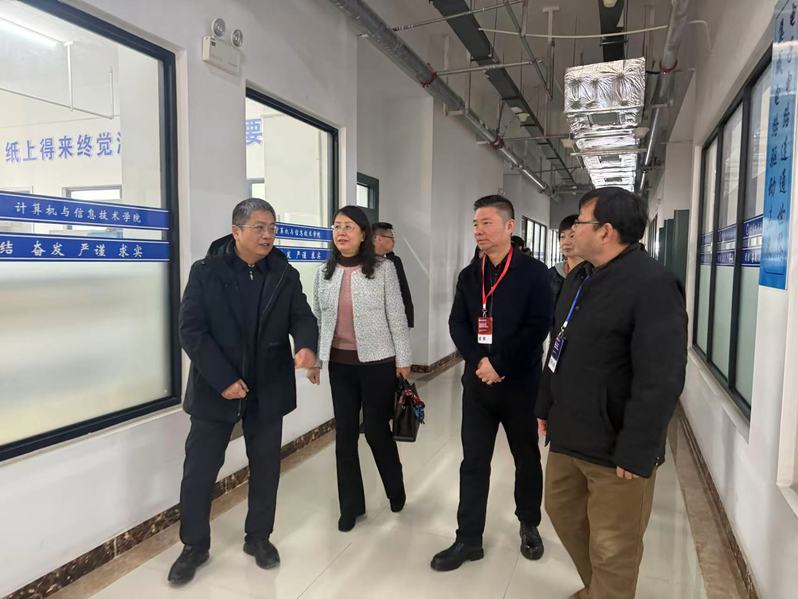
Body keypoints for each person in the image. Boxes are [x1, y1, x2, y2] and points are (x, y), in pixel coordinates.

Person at [536, 186, 688, 599]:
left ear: (606, 231)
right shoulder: (580, 277)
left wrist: (638, 448)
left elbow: (661, 376)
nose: (572, 231)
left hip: (617, 446)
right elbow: (559, 346)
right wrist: (545, 403)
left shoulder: (653, 285)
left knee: (613, 546)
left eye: (580, 222)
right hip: (569, 432)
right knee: (563, 513)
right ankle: (599, 590)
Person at [168, 198, 319, 585]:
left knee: (266, 467)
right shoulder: (206, 272)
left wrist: (306, 345)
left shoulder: (284, 273)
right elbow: (191, 330)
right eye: (259, 227)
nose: (268, 235)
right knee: (200, 472)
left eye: (272, 228)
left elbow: (302, 315)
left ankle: (259, 538)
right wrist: (223, 379)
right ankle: (194, 546)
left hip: (267, 387)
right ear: (236, 231)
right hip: (215, 389)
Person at [431, 195, 552, 572]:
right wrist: (479, 361)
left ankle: (529, 524)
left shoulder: (534, 274)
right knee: (473, 461)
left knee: (526, 457)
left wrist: (499, 363)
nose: (478, 231)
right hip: (479, 386)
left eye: (486, 223)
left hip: (520, 385)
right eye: (475, 224)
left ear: (509, 226)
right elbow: (457, 323)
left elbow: (538, 327)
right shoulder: (471, 275)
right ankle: (468, 538)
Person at [307, 206, 412, 532]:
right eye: (337, 226)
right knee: (345, 436)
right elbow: (319, 319)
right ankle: (350, 507)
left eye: (349, 226)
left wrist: (403, 360)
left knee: (377, 432)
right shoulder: (323, 272)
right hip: (341, 366)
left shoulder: (383, 269)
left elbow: (396, 316)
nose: (341, 232)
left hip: (378, 363)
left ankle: (395, 490)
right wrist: (316, 360)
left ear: (363, 233)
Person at [371, 221, 414, 328]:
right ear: (378, 238)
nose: (394, 241)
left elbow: (404, 291)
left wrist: (408, 321)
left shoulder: (395, 261)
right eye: (391, 238)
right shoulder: (364, 263)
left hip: (395, 321)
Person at [549, 214, 582, 308]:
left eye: (572, 236)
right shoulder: (551, 274)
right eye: (562, 237)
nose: (566, 242)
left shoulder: (593, 274)